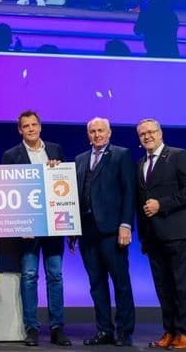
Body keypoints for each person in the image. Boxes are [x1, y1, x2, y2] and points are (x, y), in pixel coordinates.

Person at [0, 111, 71, 347]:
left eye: (34, 125)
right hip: (28, 227)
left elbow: (65, 186)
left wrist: (57, 168)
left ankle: (57, 327)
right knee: (29, 277)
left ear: (40, 126)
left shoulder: (55, 149)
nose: (31, 129)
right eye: (26, 126)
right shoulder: (10, 155)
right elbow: (9, 193)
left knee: (56, 276)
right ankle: (31, 328)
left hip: (53, 224)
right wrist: (20, 223)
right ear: (20, 130)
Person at [69, 117, 136, 347]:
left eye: (101, 131)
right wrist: (72, 231)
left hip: (112, 230)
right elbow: (74, 197)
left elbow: (129, 193)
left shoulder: (121, 155)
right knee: (96, 284)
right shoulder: (79, 159)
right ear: (88, 135)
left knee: (120, 283)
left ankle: (125, 332)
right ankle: (104, 330)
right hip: (87, 232)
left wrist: (126, 224)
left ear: (109, 133)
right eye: (92, 131)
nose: (97, 135)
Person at [135, 119, 186, 351]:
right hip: (153, 237)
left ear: (161, 133)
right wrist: (143, 237)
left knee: (180, 286)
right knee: (162, 287)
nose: (147, 136)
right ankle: (169, 331)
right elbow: (139, 204)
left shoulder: (178, 155)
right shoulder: (140, 163)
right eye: (142, 133)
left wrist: (162, 205)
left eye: (151, 132)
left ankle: (184, 332)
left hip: (177, 232)